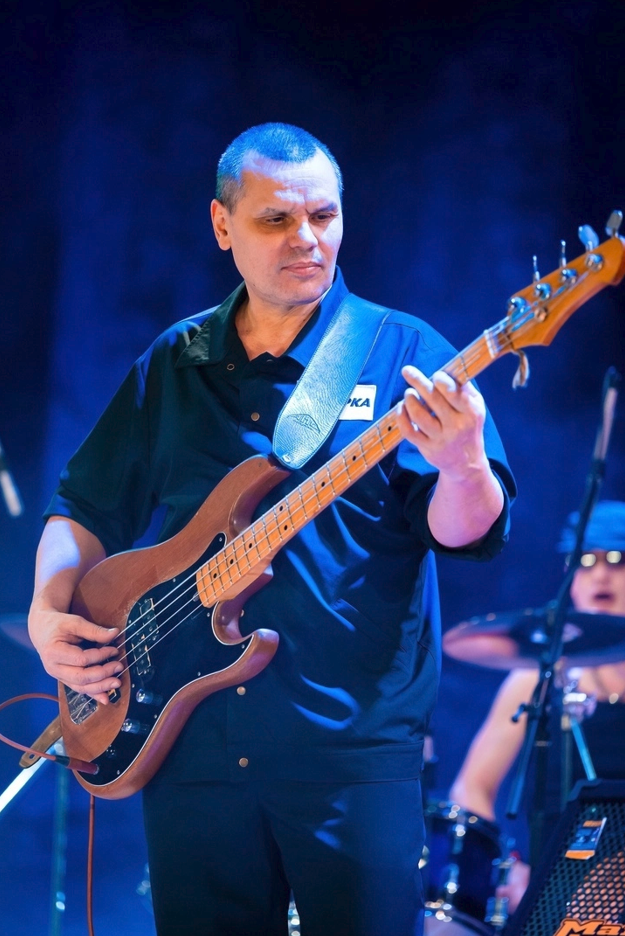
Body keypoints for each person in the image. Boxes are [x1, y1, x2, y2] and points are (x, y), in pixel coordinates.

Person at [27, 122, 515, 936]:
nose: (307, 239)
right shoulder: (176, 360)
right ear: (222, 225)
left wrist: (464, 465)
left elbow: (465, 535)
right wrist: (48, 613)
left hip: (349, 757)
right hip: (188, 746)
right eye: (276, 220)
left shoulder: (404, 352)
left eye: (323, 216)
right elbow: (84, 505)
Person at [449, 499, 625, 916]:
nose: (600, 575)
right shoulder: (537, 678)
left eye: (617, 560)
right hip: (558, 893)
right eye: (585, 561)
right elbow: (471, 789)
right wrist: (509, 870)